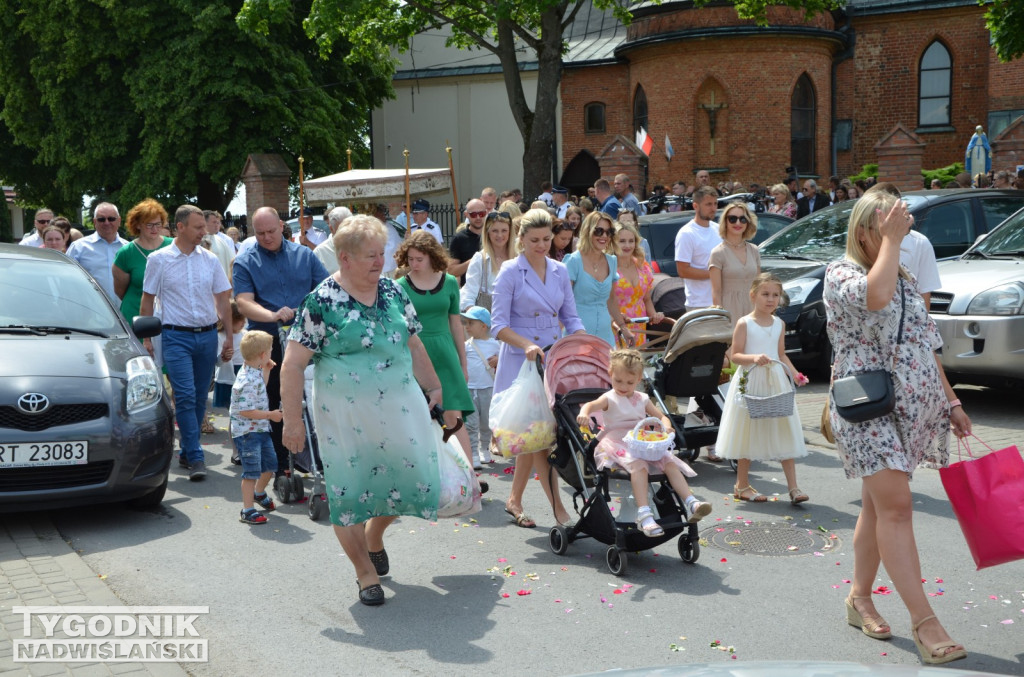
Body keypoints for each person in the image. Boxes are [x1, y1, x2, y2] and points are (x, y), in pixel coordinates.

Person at [823, 191, 971, 665]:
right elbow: (874, 295)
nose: (898, 235)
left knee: (878, 504)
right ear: (865, 230)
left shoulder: (903, 277)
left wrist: (952, 401)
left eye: (898, 227)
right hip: (867, 410)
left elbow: (926, 345)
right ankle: (925, 622)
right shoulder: (842, 272)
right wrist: (890, 242)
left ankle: (859, 597)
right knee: (898, 508)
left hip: (911, 413)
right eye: (886, 226)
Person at [280, 214, 448, 606]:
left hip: (400, 413)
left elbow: (413, 344)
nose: (381, 262)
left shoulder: (393, 292)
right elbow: (291, 365)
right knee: (349, 494)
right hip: (345, 420)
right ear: (345, 258)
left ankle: (375, 536)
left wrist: (435, 386)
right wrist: (292, 421)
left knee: (415, 481)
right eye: (371, 256)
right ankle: (364, 571)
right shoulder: (321, 302)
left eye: (382, 254)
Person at [491, 208, 586, 528]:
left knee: (532, 438)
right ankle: (558, 507)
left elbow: (570, 317)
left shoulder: (559, 270)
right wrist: (526, 345)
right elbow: (498, 326)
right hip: (522, 362)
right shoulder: (509, 271)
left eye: (547, 239)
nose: (542, 245)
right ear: (520, 239)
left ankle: (514, 500)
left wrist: (582, 339)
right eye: (535, 240)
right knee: (540, 438)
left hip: (552, 359)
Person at [233, 206, 329, 479]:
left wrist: (306, 310)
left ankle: (316, 457)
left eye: (271, 231)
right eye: (260, 233)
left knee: (312, 397)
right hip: (269, 340)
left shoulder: (305, 255)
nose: (266, 237)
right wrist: (273, 314)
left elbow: (324, 290)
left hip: (306, 337)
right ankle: (281, 465)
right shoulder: (246, 260)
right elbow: (244, 302)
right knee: (273, 401)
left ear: (281, 227)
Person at [140, 204, 233, 480]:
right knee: (185, 394)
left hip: (206, 336)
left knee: (198, 396)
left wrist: (228, 336)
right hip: (174, 336)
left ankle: (185, 450)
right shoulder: (159, 259)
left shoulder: (210, 259)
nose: (204, 232)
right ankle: (195, 455)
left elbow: (223, 299)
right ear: (180, 228)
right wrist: (147, 337)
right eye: (198, 227)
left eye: (204, 226)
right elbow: (147, 300)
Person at [576, 349, 711, 535]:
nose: (623, 386)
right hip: (617, 442)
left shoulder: (642, 399)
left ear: (638, 379)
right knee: (638, 465)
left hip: (640, 441)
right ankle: (644, 514)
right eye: (618, 381)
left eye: (630, 382)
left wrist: (666, 426)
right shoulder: (609, 398)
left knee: (670, 463)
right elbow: (592, 405)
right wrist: (584, 412)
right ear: (610, 375)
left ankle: (691, 502)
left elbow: (661, 417)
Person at [716, 273, 809, 502]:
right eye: (765, 294)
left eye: (775, 295)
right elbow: (735, 355)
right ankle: (742, 484)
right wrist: (754, 357)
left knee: (783, 428)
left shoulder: (779, 323)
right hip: (751, 379)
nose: (771, 299)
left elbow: (781, 354)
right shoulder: (744, 323)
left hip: (775, 380)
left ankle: (794, 487)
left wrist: (795, 374)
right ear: (753, 295)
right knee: (747, 431)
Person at [395, 231, 478, 478]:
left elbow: (456, 325)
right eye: (410, 258)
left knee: (454, 413)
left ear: (432, 257)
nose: (414, 264)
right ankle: (427, 477)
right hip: (415, 354)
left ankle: (469, 476)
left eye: (419, 258)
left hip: (445, 352)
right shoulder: (399, 287)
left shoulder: (451, 282)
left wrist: (463, 363)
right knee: (420, 417)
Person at [230, 330, 282, 525]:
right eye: (269, 350)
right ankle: (247, 509)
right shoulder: (245, 380)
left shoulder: (254, 371)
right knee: (251, 472)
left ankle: (259, 493)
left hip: (260, 428)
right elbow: (245, 411)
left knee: (270, 465)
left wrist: (266, 370)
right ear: (262, 354)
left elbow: (261, 387)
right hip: (247, 432)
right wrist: (271, 415)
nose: (271, 353)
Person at [565, 212, 634, 347]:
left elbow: (612, 299)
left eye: (609, 232)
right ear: (588, 231)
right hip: (577, 334)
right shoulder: (573, 261)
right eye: (599, 231)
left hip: (605, 336)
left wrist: (623, 328)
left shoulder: (611, 261)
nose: (604, 236)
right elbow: (564, 303)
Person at [112, 199, 173, 322]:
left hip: (169, 315)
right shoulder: (126, 253)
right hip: (135, 314)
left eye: (158, 224)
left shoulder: (173, 246)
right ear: (138, 225)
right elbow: (120, 291)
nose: (154, 229)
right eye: (149, 225)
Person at [710, 202, 761, 330]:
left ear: (748, 223)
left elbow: (759, 285)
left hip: (753, 308)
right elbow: (716, 292)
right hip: (730, 310)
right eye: (732, 219)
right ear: (725, 222)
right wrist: (721, 318)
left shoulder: (754, 250)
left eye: (742, 219)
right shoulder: (718, 253)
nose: (738, 223)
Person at [613, 221, 663, 347]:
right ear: (613, 242)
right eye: (622, 241)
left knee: (637, 363)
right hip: (615, 325)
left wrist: (654, 315)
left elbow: (646, 299)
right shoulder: (608, 266)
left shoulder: (642, 265)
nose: (627, 245)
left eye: (631, 241)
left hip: (639, 325)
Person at [66, 203, 128, 303]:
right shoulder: (79, 248)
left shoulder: (128, 248)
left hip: (123, 311)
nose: (106, 223)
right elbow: (68, 281)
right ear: (95, 222)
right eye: (101, 219)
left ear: (119, 221)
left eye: (111, 219)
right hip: (91, 311)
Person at [461, 305, 499, 468]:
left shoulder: (495, 344)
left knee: (486, 422)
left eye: (471, 323)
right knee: (471, 423)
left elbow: (504, 359)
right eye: (466, 323)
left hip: (488, 388)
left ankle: (484, 447)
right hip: (469, 389)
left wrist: (499, 360)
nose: (466, 326)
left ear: (484, 326)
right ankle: (473, 453)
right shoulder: (466, 345)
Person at [675, 186, 722, 312]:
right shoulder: (686, 233)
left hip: (721, 300)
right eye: (708, 204)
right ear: (695, 206)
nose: (713, 208)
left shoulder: (719, 229)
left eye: (715, 204)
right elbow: (683, 271)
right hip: (699, 303)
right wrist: (715, 274)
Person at [460, 210, 513, 311]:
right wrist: (477, 317)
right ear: (487, 233)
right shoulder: (480, 259)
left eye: (504, 230)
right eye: (495, 231)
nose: (500, 235)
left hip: (515, 321)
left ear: (510, 232)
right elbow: (469, 294)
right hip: (488, 321)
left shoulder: (518, 258)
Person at [448, 198, 487, 281]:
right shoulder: (459, 239)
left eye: (481, 214)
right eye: (473, 214)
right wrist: (473, 261)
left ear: (486, 213)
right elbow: (451, 271)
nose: (478, 217)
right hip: (469, 290)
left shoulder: (493, 235)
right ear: (466, 215)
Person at [313, 206, 353, 275]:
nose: (348, 233)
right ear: (331, 228)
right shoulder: (320, 253)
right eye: (343, 230)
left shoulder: (362, 247)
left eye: (351, 228)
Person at [203, 210, 236, 280]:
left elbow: (232, 261)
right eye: (214, 222)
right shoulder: (197, 240)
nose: (217, 225)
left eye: (218, 222)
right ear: (204, 223)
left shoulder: (221, 241)